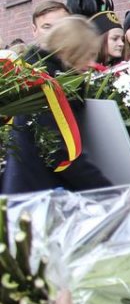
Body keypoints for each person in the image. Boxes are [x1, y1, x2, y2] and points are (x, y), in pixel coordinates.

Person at [3, 17, 111, 194]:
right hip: (36, 196)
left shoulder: (39, 80)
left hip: (29, 190)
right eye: (88, 55)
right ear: (70, 50)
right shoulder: (47, 89)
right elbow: (62, 154)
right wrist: (111, 191)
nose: (92, 63)